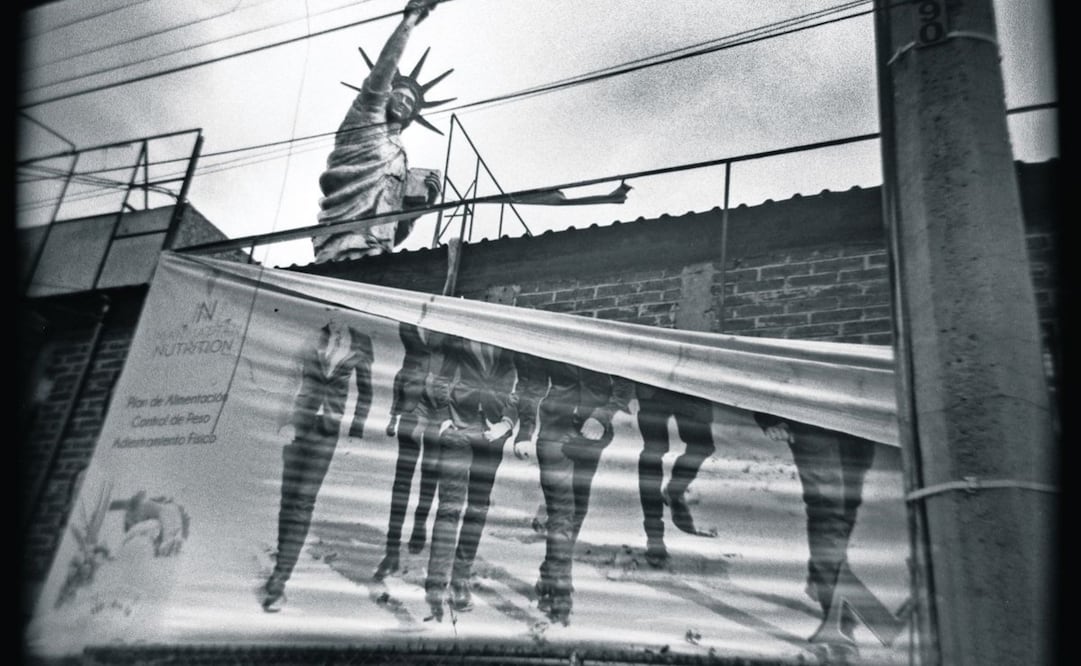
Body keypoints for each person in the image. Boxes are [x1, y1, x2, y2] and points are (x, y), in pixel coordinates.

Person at [313, 0, 452, 263]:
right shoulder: (366, 119)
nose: (405, 103)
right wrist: (410, 20)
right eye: (399, 95)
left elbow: (396, 223)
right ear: (386, 95)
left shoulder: (399, 156)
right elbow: (383, 69)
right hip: (343, 237)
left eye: (411, 103)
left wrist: (420, 205)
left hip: (377, 247)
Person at [261, 320, 374, 612]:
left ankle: (279, 580)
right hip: (300, 425)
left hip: (328, 431)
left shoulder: (361, 341)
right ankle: (284, 555)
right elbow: (291, 378)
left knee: (303, 503)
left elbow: (366, 390)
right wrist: (283, 419)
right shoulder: (313, 333)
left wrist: (355, 432)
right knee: (288, 500)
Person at [513, 353, 633, 626]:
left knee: (577, 511)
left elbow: (627, 381)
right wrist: (525, 431)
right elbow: (532, 385)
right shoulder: (549, 338)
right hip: (555, 432)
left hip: (592, 436)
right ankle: (560, 595)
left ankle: (549, 573)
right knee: (561, 514)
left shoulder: (604, 335)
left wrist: (601, 417)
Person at [753, 412, 877, 657]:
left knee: (848, 506)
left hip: (860, 414)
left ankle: (819, 576)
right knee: (827, 512)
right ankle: (839, 625)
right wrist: (767, 417)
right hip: (811, 417)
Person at [423, 336, 520, 621]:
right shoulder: (460, 334)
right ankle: (436, 582)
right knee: (450, 506)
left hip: (493, 433)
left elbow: (524, 386)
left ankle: (460, 580)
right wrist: (442, 415)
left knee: (478, 508)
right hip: (458, 427)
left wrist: (507, 422)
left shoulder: (513, 340)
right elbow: (439, 376)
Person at [373, 322, 448, 580]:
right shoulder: (410, 320)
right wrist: (394, 412)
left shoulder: (452, 324)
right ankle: (391, 550)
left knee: (431, 471)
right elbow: (404, 368)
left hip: (440, 409)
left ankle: (419, 525)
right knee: (402, 478)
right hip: (411, 406)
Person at [636, 384, 718, 568]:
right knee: (653, 452)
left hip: (692, 383)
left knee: (703, 446)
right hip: (652, 382)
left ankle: (674, 490)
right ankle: (654, 536)